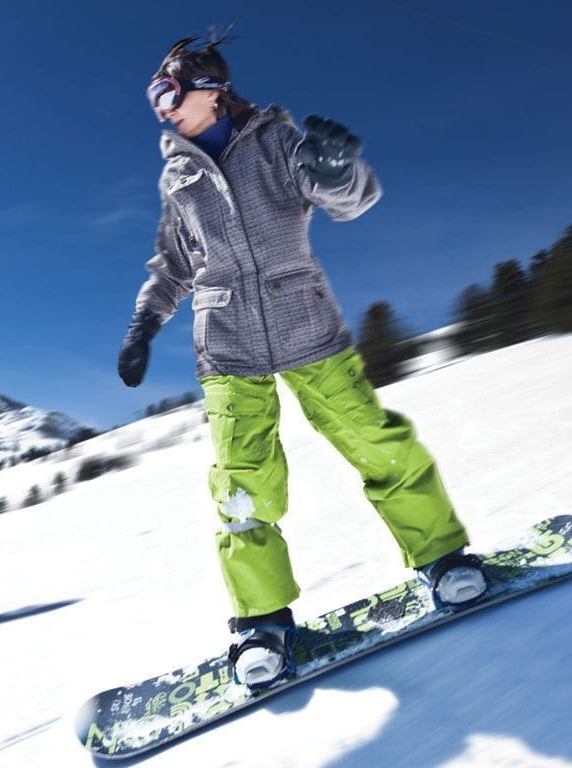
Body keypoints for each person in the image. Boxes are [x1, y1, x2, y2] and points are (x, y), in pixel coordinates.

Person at [117, 32, 487, 689]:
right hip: (226, 347)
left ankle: (443, 559)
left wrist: (341, 169)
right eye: (153, 100)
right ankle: (261, 625)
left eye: (167, 94)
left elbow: (350, 200)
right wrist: (145, 321)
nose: (161, 110)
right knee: (242, 488)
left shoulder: (275, 143)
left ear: (210, 88)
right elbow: (173, 263)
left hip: (307, 327)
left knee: (377, 442)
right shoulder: (178, 178)